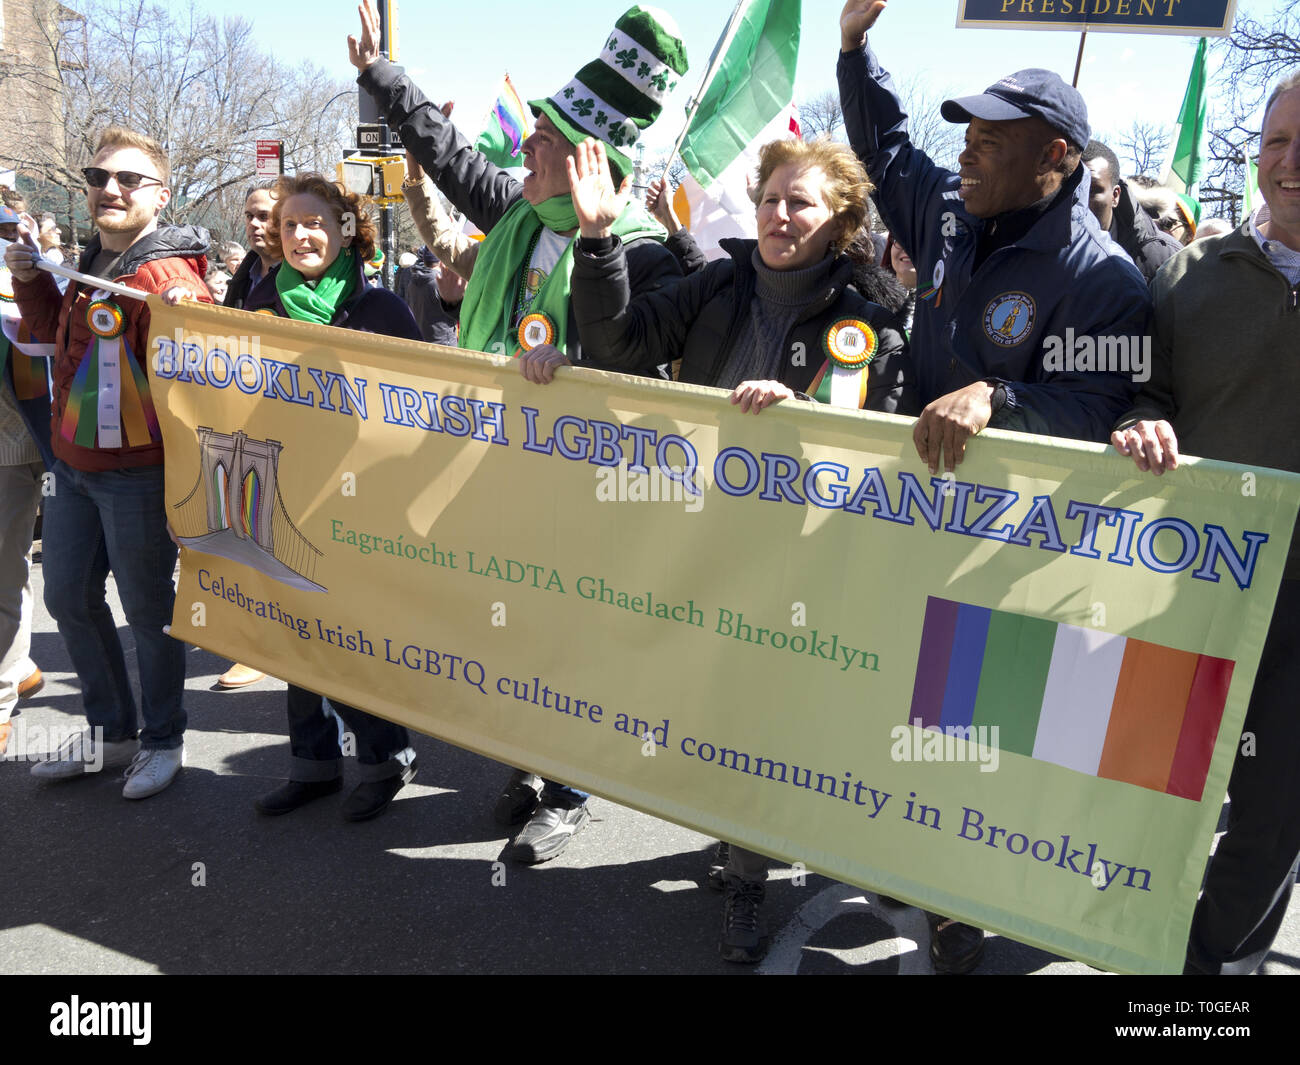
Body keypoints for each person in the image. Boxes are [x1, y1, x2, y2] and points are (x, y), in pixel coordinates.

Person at [523, 135, 916, 962]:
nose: (779, 214)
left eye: (800, 201)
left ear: (841, 217)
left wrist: (805, 416)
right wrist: (596, 244)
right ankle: (727, 841)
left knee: (770, 720)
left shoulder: (872, 302)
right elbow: (620, 347)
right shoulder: (720, 279)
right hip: (701, 538)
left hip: (808, 557)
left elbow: (886, 425)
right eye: (771, 197)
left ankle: (746, 880)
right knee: (719, 709)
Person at [837, 0, 1151, 973]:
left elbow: (1107, 408)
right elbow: (884, 143)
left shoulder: (1106, 280)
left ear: (1053, 156)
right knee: (895, 697)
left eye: (989, 140)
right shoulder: (943, 209)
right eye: (964, 136)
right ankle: (906, 861)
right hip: (910, 528)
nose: (964, 154)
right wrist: (852, 48)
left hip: (1012, 557)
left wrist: (1001, 399)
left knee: (970, 728)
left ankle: (964, 901)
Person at [351, 0, 689, 862]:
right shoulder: (515, 217)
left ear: (590, 161)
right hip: (496, 473)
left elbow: (634, 365)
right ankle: (534, 764)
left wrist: (574, 377)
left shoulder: (645, 251)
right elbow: (449, 153)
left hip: (588, 493)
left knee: (571, 640)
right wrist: (381, 75)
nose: (522, 151)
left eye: (541, 140)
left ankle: (567, 791)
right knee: (513, 631)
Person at [1111, 70, 1300, 976]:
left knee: (1269, 818)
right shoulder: (1187, 276)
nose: (1290, 163)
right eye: (1277, 142)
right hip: (1192, 590)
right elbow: (1147, 390)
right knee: (1153, 791)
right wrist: (1141, 417)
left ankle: (1209, 980)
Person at [4, 126, 211, 799]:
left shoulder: (169, 276)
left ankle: (162, 737)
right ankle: (109, 728)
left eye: (128, 180)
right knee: (65, 595)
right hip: (71, 466)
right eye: (97, 178)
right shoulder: (92, 259)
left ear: (163, 195)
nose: (109, 190)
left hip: (136, 475)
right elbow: (45, 338)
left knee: (149, 610)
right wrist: (30, 280)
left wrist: (192, 321)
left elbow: (205, 363)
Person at [244, 172, 423, 821]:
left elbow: (422, 404)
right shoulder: (261, 302)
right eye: (289, 225)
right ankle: (312, 765)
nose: (301, 235)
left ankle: (386, 757)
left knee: (349, 637)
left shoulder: (382, 310)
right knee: (296, 633)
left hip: (365, 500)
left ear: (347, 229)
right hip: (286, 490)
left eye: (315, 221)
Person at [0, 205, 49, 756]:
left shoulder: (19, 275)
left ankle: (1, 695)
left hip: (15, 443)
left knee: (5, 571)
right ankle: (20, 665)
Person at [1082, 139, 1182, 281]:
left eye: (1091, 191)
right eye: (1071, 190)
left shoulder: (1165, 257)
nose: (1080, 200)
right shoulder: (1044, 244)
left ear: (1115, 196)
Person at [224, 180, 280, 311]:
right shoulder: (242, 277)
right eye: (249, 216)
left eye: (263, 216)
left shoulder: (302, 280)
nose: (253, 223)